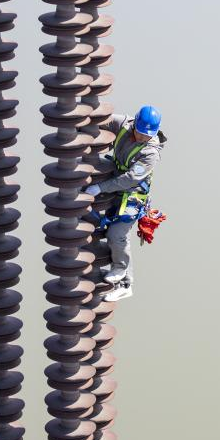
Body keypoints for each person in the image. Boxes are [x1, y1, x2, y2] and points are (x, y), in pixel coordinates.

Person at [86, 105, 166, 301]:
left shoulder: (151, 153)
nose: (142, 137)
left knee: (117, 234)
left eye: (147, 135)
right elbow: (102, 119)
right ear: (134, 124)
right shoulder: (124, 124)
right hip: (113, 182)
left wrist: (101, 187)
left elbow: (130, 178)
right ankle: (119, 274)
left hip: (132, 194)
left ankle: (125, 282)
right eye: (140, 132)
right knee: (95, 223)